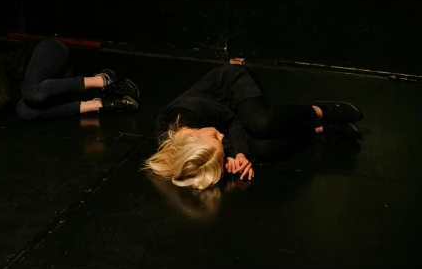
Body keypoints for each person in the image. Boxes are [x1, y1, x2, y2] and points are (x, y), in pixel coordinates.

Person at [144, 64, 364, 189]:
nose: (221, 136)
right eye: (219, 141)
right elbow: (218, 140)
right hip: (225, 118)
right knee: (261, 150)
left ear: (192, 138)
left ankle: (320, 111)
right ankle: (320, 130)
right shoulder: (188, 149)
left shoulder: (188, 110)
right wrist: (230, 159)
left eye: (216, 138)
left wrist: (238, 150)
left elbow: (231, 121)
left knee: (261, 123)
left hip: (231, 88)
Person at [0, 37, 140, 129]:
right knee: (24, 112)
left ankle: (105, 79)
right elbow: (1, 109)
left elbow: (4, 95)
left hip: (48, 52)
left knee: (30, 94)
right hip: (53, 83)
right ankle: (101, 103)